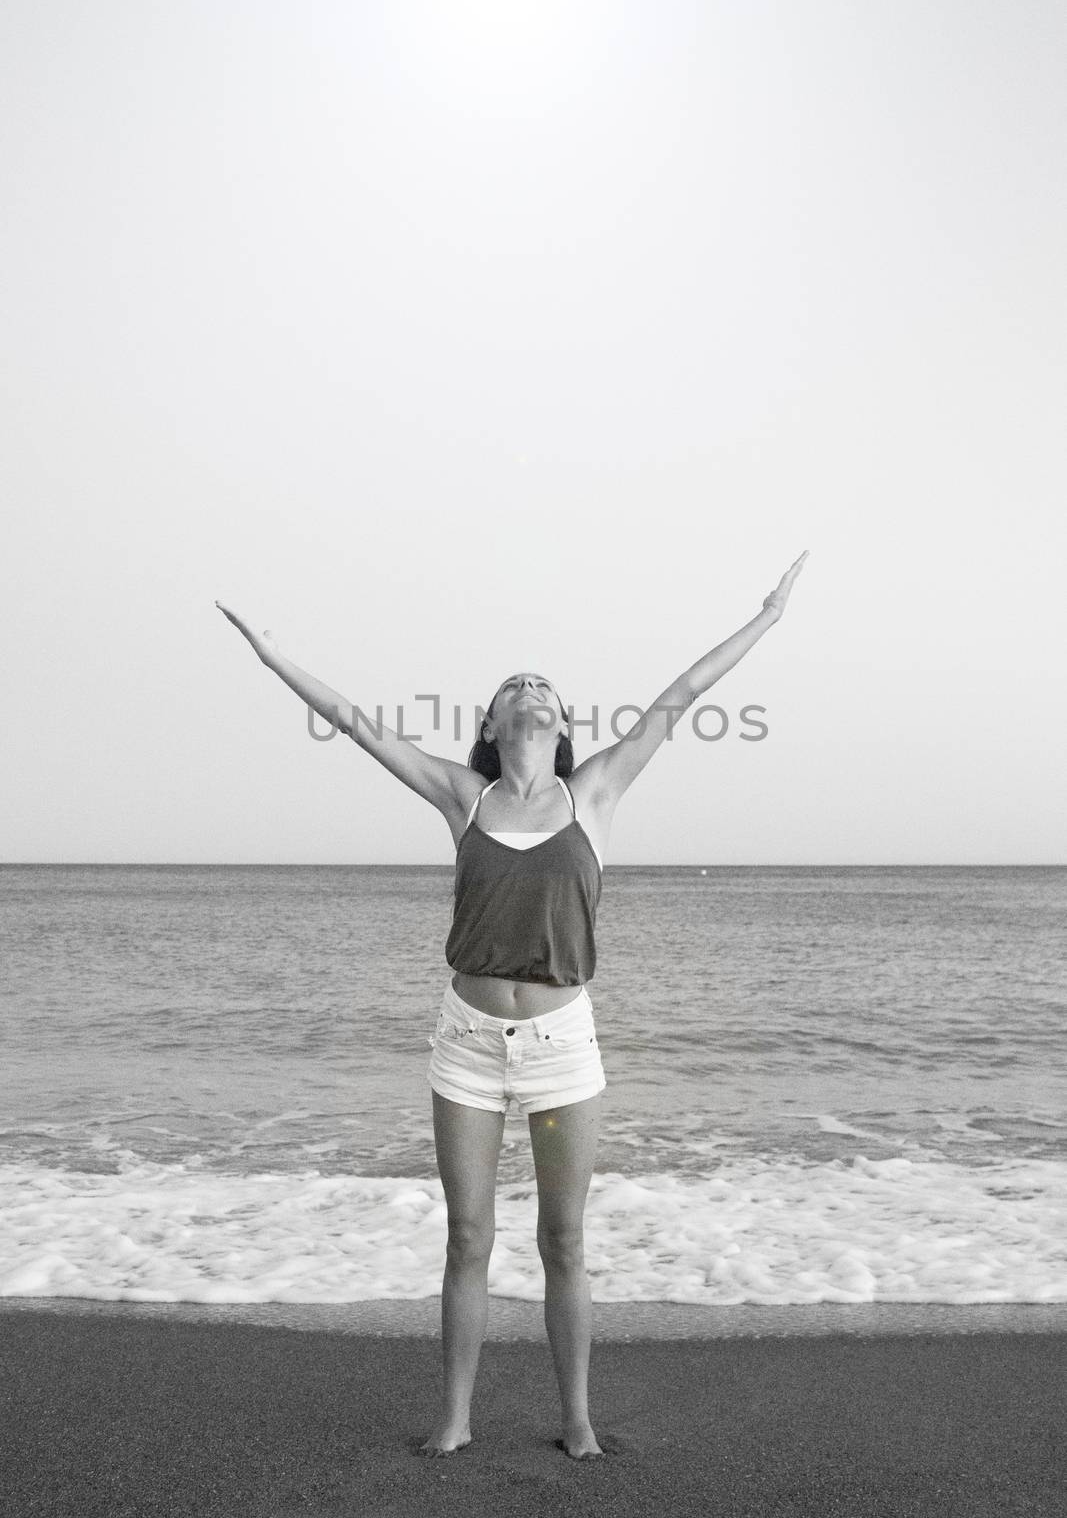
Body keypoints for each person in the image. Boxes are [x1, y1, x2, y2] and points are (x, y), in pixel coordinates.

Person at [215, 549, 807, 1460]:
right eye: (512, 687)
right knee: (466, 1237)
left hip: (564, 1043)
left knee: (564, 1238)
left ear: (560, 722)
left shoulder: (595, 791)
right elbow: (357, 724)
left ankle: (574, 1417)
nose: (530, 691)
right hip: (465, 1042)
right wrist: (269, 652)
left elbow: (681, 694)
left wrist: (766, 616)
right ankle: (454, 1418)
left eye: (544, 687)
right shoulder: (464, 796)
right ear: (490, 724)